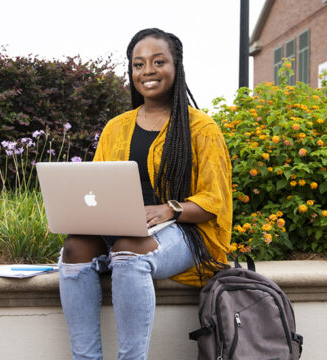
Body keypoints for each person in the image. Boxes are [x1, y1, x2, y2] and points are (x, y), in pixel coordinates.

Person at [58, 28, 232, 360]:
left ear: (176, 66)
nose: (147, 71)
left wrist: (170, 209)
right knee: (74, 247)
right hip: (124, 225)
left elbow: (214, 200)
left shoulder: (201, 128)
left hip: (184, 231)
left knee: (128, 251)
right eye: (138, 64)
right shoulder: (116, 127)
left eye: (158, 61)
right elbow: (95, 186)